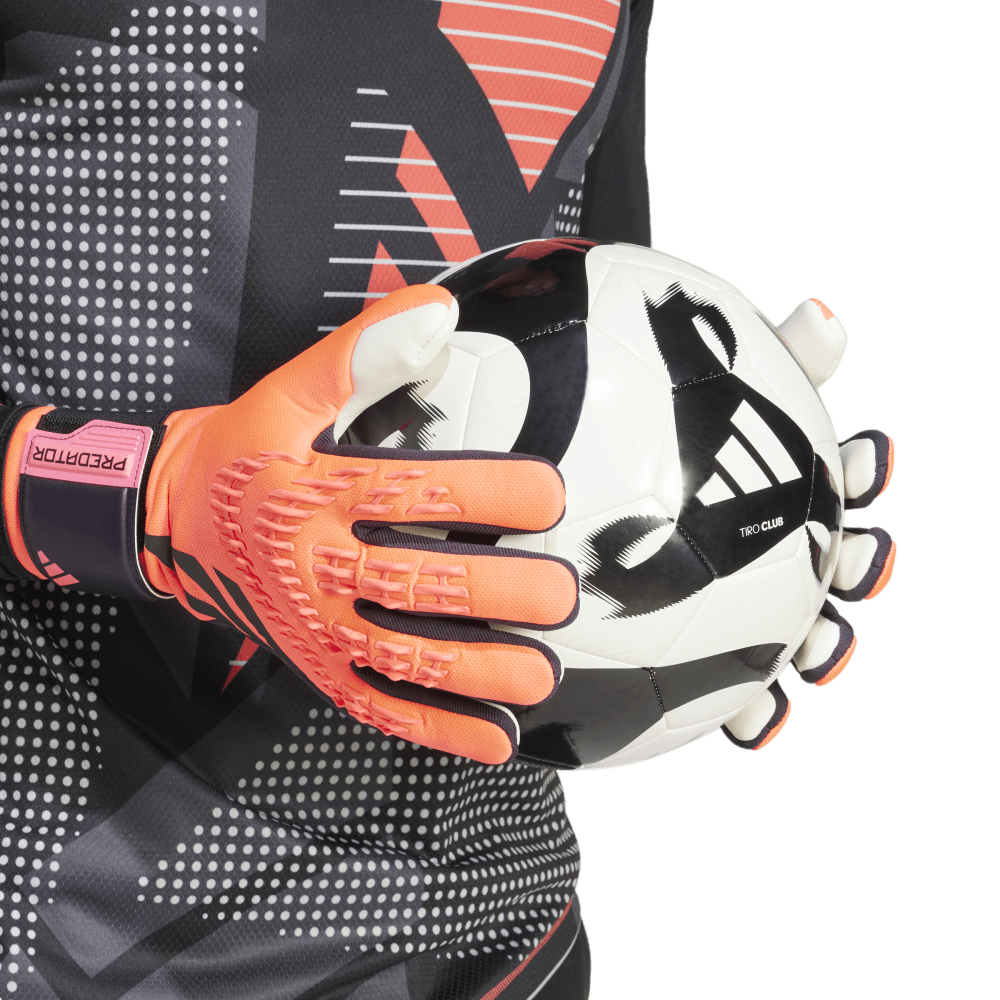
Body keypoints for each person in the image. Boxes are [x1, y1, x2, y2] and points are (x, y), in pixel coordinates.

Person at [0, 4, 894, 997]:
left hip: (500, 937)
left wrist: (727, 519)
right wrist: (146, 497)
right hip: (74, 938)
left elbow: (582, 276)